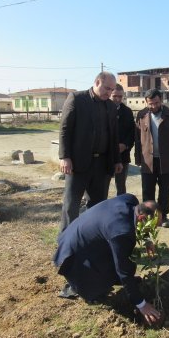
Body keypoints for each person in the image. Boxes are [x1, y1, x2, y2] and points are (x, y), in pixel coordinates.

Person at [53, 194, 162, 325]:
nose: (154, 229)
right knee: (106, 281)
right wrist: (142, 304)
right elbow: (123, 271)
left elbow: (137, 224)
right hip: (73, 256)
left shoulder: (130, 200)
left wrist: (146, 239)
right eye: (153, 226)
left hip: (77, 239)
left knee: (122, 259)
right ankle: (82, 285)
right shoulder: (121, 231)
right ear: (142, 218)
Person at [58, 72, 123, 231]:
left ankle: (90, 238)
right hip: (77, 163)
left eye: (112, 89)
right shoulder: (77, 99)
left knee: (98, 206)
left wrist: (117, 160)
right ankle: (66, 242)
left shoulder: (110, 106)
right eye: (107, 88)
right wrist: (64, 156)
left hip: (102, 164)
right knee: (71, 205)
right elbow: (65, 129)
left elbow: (113, 136)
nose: (109, 93)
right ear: (97, 82)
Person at [135, 89, 169, 228]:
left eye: (156, 103)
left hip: (165, 160)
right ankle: (148, 216)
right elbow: (137, 139)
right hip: (148, 160)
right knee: (147, 190)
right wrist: (138, 158)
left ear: (161, 100)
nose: (154, 106)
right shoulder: (141, 115)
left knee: (165, 190)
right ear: (146, 102)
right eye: (150, 104)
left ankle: (163, 216)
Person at [109, 84, 135, 196]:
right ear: (110, 94)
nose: (118, 99)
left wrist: (125, 145)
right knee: (101, 186)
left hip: (122, 155)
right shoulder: (102, 108)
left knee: (121, 187)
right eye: (115, 96)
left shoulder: (128, 112)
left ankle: (120, 209)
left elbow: (132, 132)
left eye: (120, 96)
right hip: (105, 155)